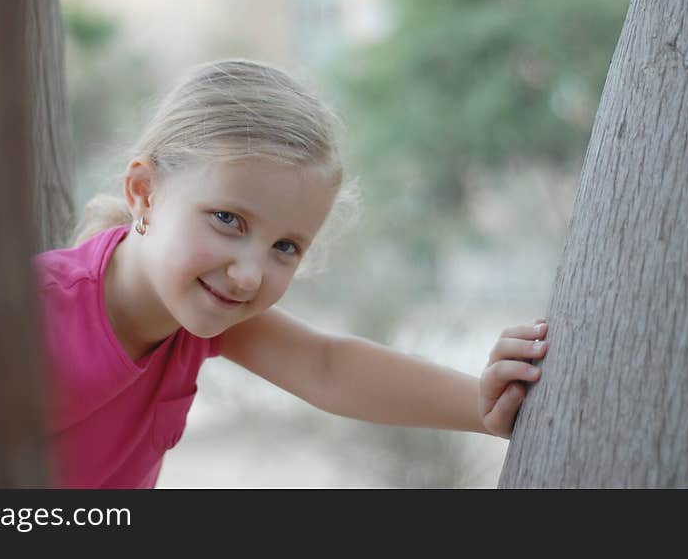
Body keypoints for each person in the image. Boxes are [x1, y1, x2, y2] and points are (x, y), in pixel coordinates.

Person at [34, 58, 549, 488]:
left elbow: (326, 366)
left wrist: (486, 405)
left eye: (285, 246)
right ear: (144, 192)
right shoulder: (35, 317)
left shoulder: (194, 309)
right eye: (228, 220)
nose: (248, 276)